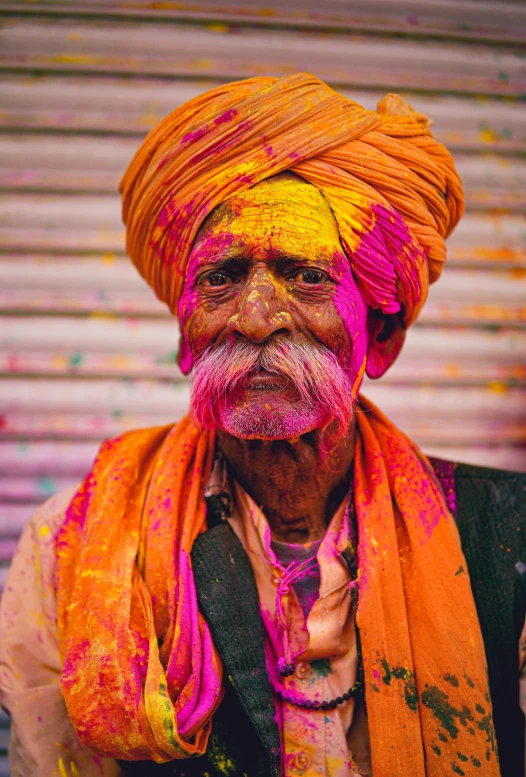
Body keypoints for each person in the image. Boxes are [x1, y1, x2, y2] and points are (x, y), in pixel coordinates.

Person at [0, 73, 524, 777]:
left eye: (306, 275)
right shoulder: (74, 544)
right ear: (188, 335)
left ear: (381, 334)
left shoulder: (509, 533)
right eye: (221, 278)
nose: (254, 316)